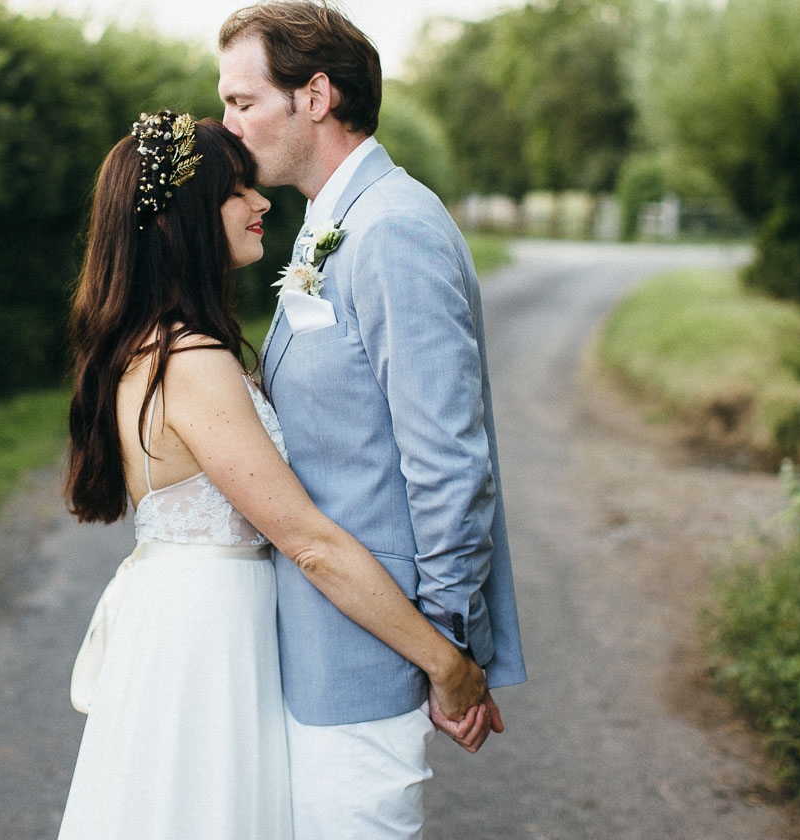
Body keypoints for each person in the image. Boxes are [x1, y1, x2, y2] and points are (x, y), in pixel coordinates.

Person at [56, 110, 493, 840]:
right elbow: (309, 542)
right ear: (184, 221)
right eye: (237, 192)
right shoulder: (190, 361)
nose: (262, 204)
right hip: (206, 637)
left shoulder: (151, 342)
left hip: (190, 615)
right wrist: (444, 661)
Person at [217, 0, 526, 840]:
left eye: (243, 102)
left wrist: (450, 653)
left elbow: (449, 459)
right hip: (320, 638)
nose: (227, 123)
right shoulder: (332, 224)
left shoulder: (392, 229)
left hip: (369, 647)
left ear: (314, 97)